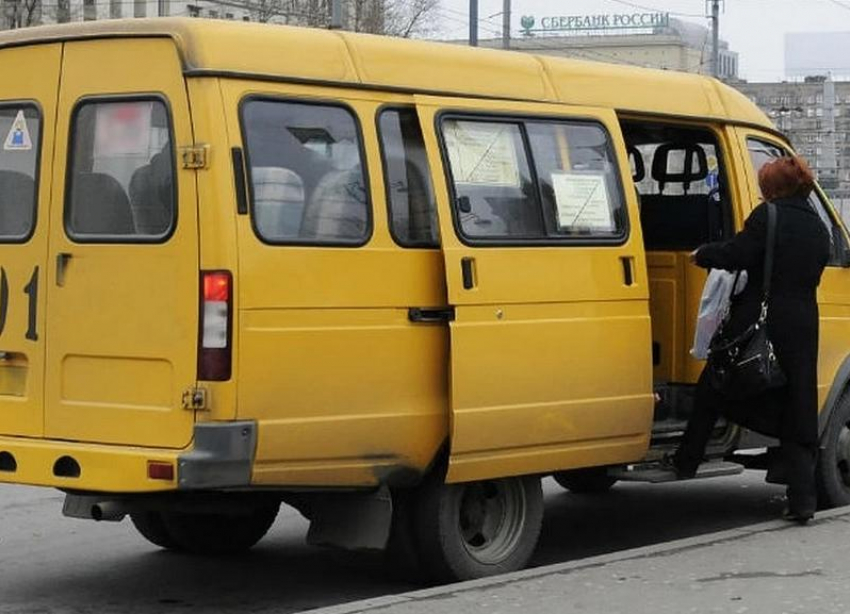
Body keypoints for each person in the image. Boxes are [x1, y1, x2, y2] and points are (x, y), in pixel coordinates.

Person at [671, 155, 830, 524]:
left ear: (773, 188)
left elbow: (738, 253)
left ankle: (686, 461)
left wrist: (703, 255)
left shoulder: (768, 217)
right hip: (804, 323)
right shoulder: (818, 226)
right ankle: (802, 500)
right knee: (798, 404)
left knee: (716, 384)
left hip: (764, 318)